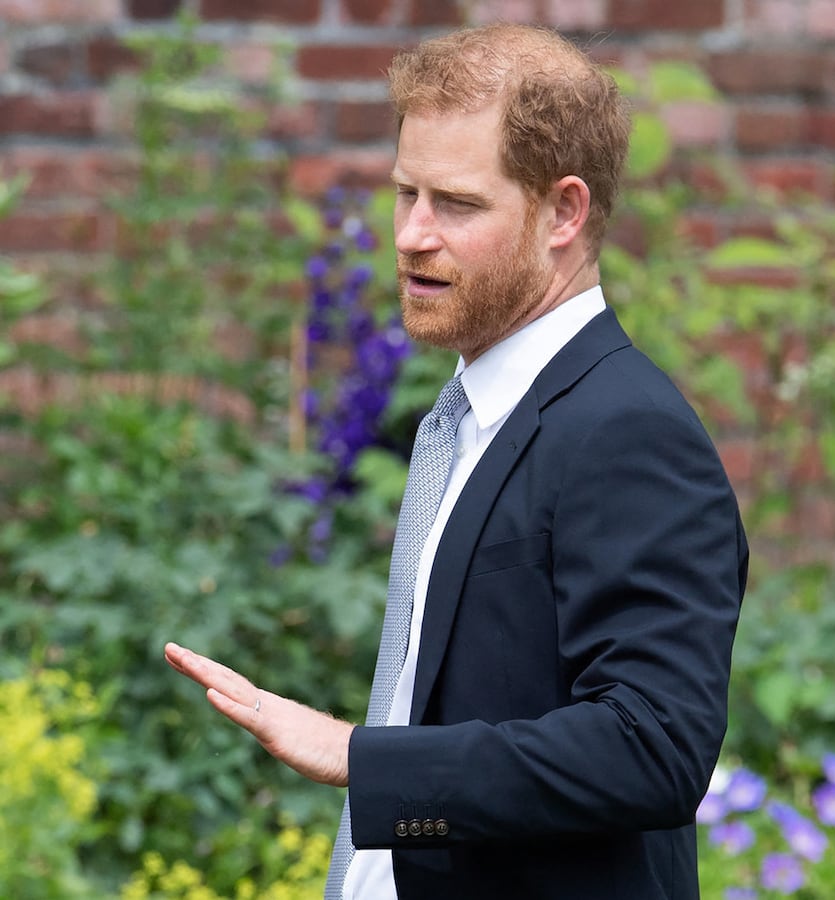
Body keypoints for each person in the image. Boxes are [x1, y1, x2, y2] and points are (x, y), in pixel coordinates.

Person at [166, 24, 747, 899]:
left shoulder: (627, 431)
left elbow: (653, 747)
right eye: (406, 194)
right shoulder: (468, 414)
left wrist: (360, 756)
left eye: (459, 204)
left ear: (564, 212)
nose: (411, 235)